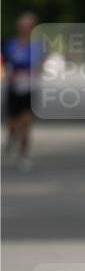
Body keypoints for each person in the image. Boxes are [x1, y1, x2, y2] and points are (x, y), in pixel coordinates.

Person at [3, 12, 41, 172]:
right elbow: (4, 62)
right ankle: (11, 137)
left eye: (28, 26)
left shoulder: (38, 46)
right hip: (14, 87)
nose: (25, 29)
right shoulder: (11, 44)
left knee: (25, 123)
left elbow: (42, 64)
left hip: (30, 88)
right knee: (12, 123)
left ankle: (24, 155)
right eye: (23, 26)